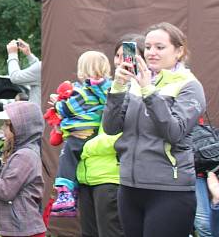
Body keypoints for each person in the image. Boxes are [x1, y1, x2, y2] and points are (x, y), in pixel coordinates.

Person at [102, 22, 205, 237]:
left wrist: (149, 91)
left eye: (160, 47)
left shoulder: (189, 86)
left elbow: (174, 132)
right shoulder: (136, 82)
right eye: (148, 47)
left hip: (169, 190)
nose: (151, 52)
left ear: (179, 51)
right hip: (129, 187)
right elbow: (111, 128)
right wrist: (118, 87)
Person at [76, 34, 143, 237]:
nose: (122, 60)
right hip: (87, 175)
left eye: (128, 55)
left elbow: (122, 136)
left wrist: (84, 145)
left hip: (111, 177)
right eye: (118, 55)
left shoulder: (138, 90)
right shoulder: (107, 88)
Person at [49, 51, 112, 216]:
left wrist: (58, 104)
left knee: (66, 158)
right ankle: (73, 189)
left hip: (79, 132)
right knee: (76, 161)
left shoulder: (84, 91)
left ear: (83, 70)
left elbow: (68, 109)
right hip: (93, 132)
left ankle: (65, 193)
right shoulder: (107, 89)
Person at [0, 100, 46, 237]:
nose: (3, 128)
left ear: (21, 129)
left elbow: (5, 190)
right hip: (18, 229)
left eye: (6, 124)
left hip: (24, 231)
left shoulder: (25, 155)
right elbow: (13, 177)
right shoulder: (23, 153)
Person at [7, 38, 41, 106]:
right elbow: (38, 73)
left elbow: (15, 77)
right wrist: (29, 55)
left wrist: (12, 54)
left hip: (39, 115)